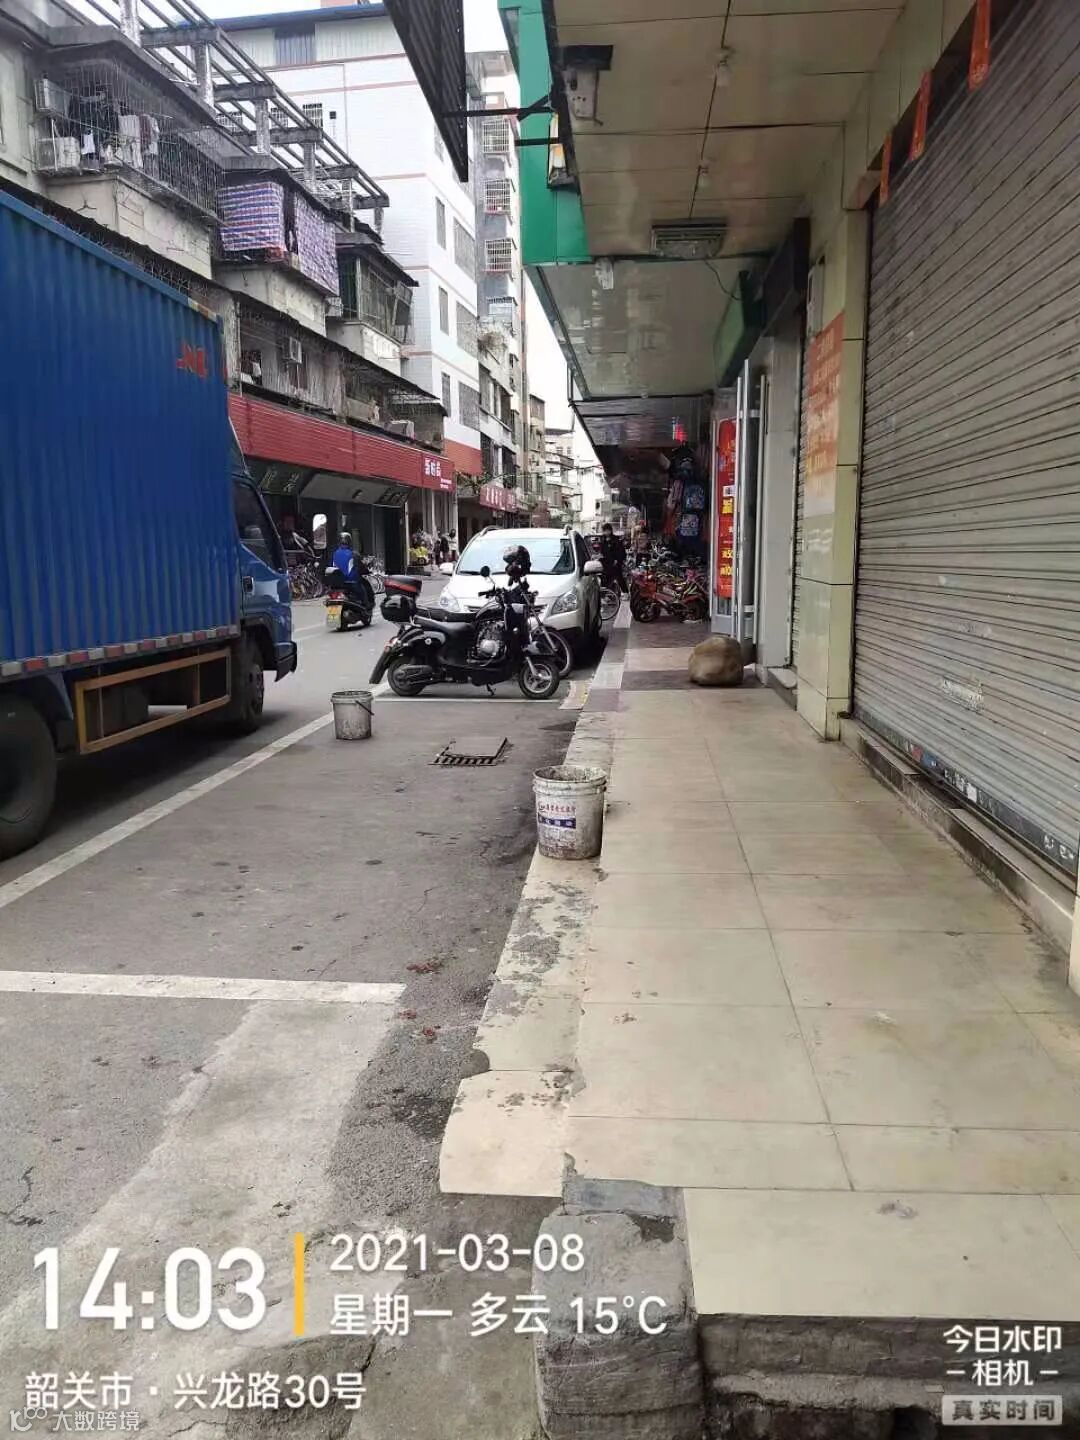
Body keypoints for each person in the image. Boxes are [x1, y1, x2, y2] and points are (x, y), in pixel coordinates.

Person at [598, 523, 627, 593]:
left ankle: (625, 592)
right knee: (606, 579)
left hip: (616, 563)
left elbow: (621, 551)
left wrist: (617, 560)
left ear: (611, 531)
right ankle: (607, 593)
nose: (606, 532)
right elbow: (602, 552)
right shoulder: (602, 540)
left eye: (608, 530)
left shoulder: (616, 540)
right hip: (607, 563)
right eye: (605, 531)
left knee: (619, 577)